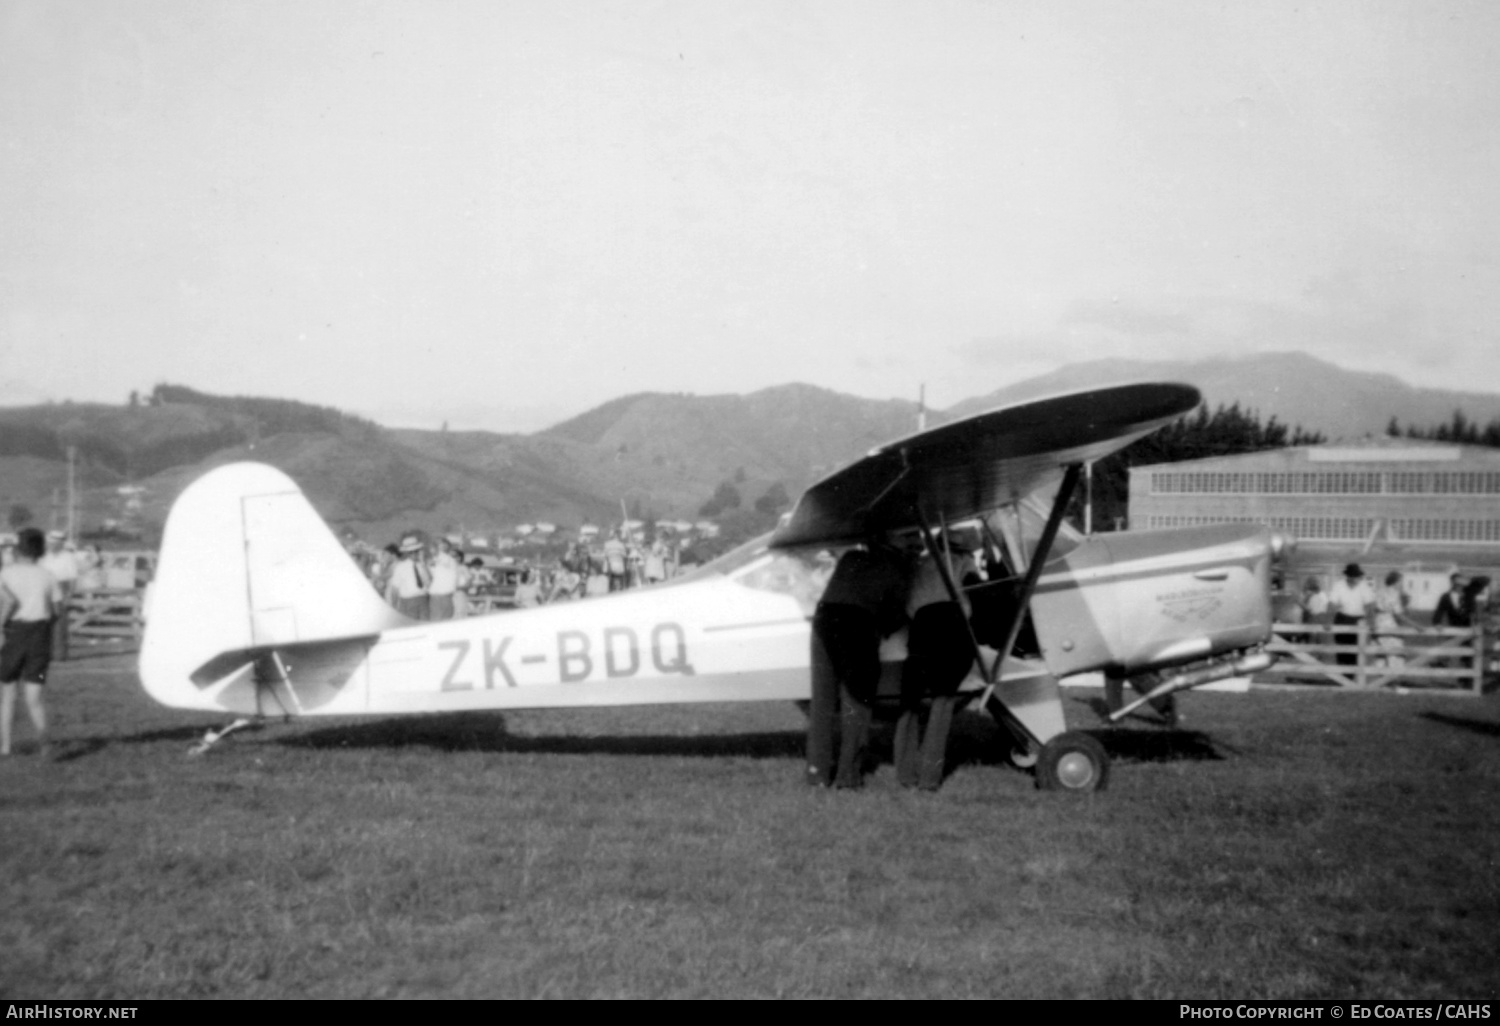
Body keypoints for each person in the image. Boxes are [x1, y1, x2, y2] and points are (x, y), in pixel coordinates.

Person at [807, 534, 911, 789]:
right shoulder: (897, 568)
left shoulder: (851, 557)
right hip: (857, 625)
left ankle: (816, 774)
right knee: (857, 702)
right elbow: (895, 616)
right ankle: (848, 776)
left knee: (822, 703)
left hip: (824, 620)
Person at [893, 538, 977, 791]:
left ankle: (906, 774)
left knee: (909, 701)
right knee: (943, 702)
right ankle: (929, 778)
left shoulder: (917, 564)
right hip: (951, 623)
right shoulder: (963, 561)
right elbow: (977, 589)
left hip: (920, 626)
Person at [0, 528, 61, 757]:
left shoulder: (6, 573)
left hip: (13, 634)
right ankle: (45, 742)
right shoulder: (48, 575)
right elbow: (57, 610)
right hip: (40, 636)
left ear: (18, 548)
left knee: (7, 694)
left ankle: (5, 746)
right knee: (35, 695)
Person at [39, 530, 78, 661]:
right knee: (44, 622)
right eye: (51, 543)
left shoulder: (68, 556)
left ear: (62, 544)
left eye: (56, 543)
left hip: (62, 588)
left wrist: (69, 596)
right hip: (45, 589)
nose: (53, 545)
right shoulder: (43, 556)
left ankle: (60, 654)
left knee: (60, 624)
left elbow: (73, 578)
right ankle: (45, 653)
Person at [1372, 571, 1422, 669]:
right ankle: (1391, 681)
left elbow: (1375, 608)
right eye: (1400, 582)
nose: (1401, 584)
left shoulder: (1379, 591)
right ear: (1395, 582)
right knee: (1396, 655)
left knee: (1381, 655)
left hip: (1377, 626)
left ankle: (1379, 681)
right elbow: (1399, 614)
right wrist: (1416, 625)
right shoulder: (1394, 594)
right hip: (1389, 627)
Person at [1328, 563, 1374, 667]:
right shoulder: (1338, 585)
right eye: (1351, 576)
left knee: (1356, 650)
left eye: (1356, 576)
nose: (1354, 579)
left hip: (1358, 621)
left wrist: (1372, 622)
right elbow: (1332, 604)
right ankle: (1344, 676)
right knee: (1342, 649)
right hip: (1342, 618)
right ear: (1347, 576)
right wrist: (1328, 621)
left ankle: (1351, 677)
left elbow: (1370, 606)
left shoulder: (1364, 587)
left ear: (1359, 577)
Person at [385, 535, 430, 620]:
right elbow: (395, 589)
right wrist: (394, 607)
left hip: (423, 600)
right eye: (411, 552)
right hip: (408, 601)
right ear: (407, 553)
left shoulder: (423, 565)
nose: (414, 554)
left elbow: (429, 583)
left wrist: (423, 564)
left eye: (416, 551)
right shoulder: (401, 567)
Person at [427, 539, 461, 621]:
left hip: (441, 597)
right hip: (440, 597)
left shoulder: (446, 560)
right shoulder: (438, 561)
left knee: (438, 622)